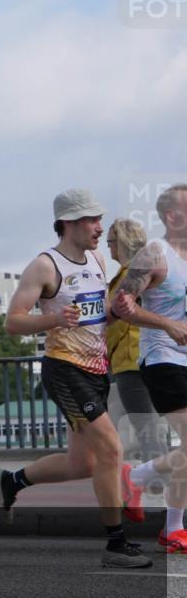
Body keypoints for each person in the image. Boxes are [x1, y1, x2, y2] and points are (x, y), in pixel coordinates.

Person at [0, 189, 151, 568]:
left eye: (100, 219)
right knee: (111, 449)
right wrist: (53, 319)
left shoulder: (96, 260)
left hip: (97, 369)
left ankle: (11, 481)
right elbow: (13, 321)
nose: (100, 228)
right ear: (69, 223)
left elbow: (98, 314)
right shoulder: (45, 266)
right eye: (93, 220)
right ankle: (115, 544)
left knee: (84, 464)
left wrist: (118, 309)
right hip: (65, 369)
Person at [113, 184, 187, 554]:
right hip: (162, 358)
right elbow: (121, 304)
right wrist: (166, 325)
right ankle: (171, 526)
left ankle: (138, 480)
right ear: (173, 216)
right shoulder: (155, 254)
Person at [105, 219, 167, 469]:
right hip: (153, 355)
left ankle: (160, 482)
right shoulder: (150, 270)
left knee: (146, 428)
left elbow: (117, 320)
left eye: (110, 242)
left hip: (130, 359)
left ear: (121, 242)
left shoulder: (130, 276)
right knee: (154, 426)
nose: (108, 247)